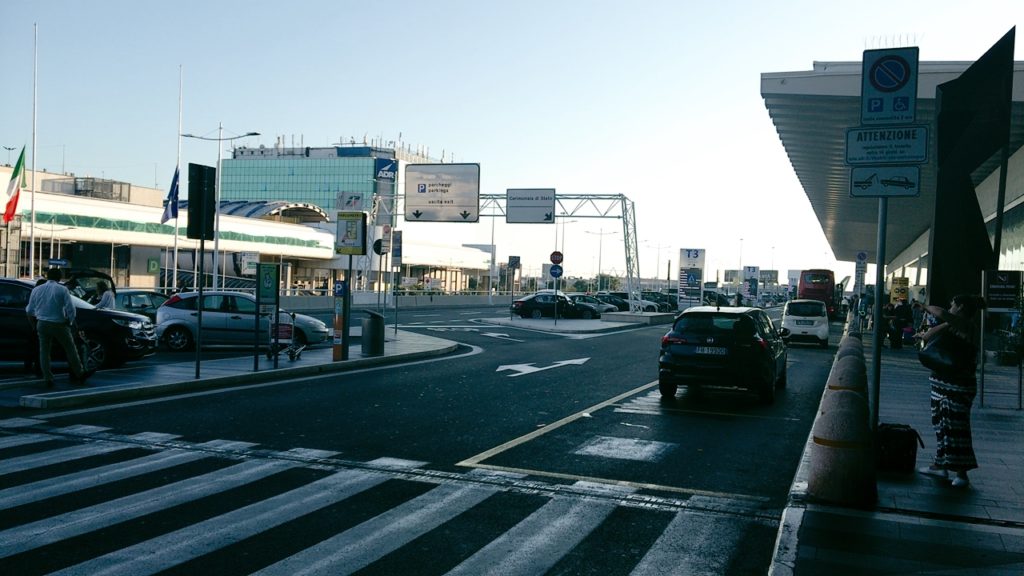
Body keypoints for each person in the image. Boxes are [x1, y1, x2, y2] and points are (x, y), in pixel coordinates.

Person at [913, 294, 986, 488]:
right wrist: (935, 329)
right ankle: (940, 465)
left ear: (961, 307)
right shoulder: (953, 325)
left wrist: (924, 306)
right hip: (942, 384)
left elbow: (941, 312)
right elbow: (928, 336)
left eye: (953, 304)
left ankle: (962, 474)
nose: (950, 307)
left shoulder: (967, 326)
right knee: (941, 425)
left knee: (957, 428)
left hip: (957, 386)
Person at [25, 268, 91, 388]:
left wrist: (34, 325)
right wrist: (70, 321)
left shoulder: (37, 290)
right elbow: (71, 309)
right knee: (70, 349)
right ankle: (80, 373)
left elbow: (29, 310)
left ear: (47, 276)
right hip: (59, 323)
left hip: (42, 323)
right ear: (59, 277)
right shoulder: (62, 289)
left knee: (44, 351)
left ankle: (48, 377)